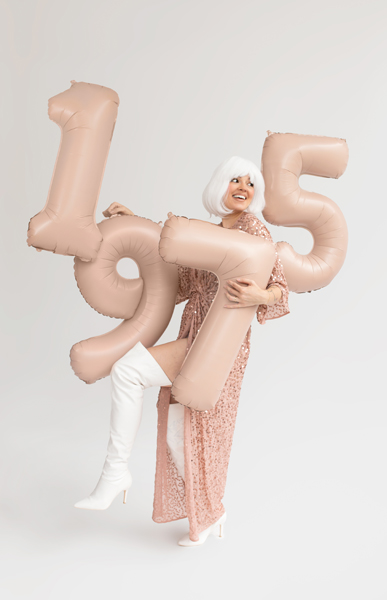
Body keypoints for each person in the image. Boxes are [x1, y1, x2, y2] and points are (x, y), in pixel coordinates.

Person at [74, 156, 290, 546]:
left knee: (134, 376)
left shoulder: (254, 229)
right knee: (178, 434)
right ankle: (210, 513)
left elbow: (281, 287)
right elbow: (178, 275)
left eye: (251, 183)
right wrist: (136, 227)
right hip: (193, 332)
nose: (243, 187)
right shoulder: (208, 233)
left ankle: (116, 474)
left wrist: (261, 296)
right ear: (220, 185)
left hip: (220, 345)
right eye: (235, 179)